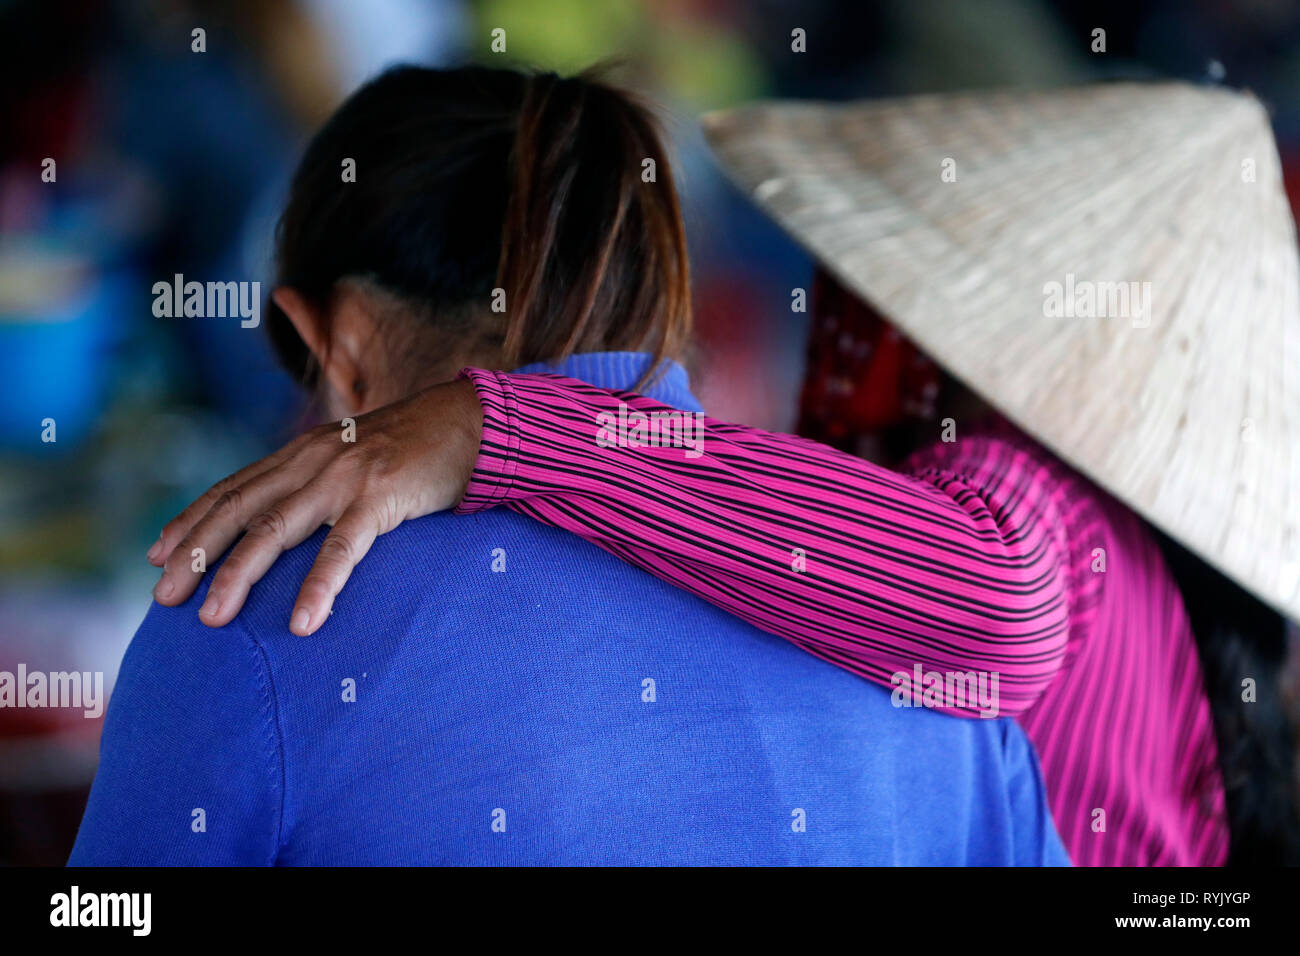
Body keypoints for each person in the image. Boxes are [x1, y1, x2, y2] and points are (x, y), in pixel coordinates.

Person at [144, 84, 1300, 867]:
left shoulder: (1006, 520)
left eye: (872, 286)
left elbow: (995, 599)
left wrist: (488, 429)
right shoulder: (928, 656)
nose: (837, 323)